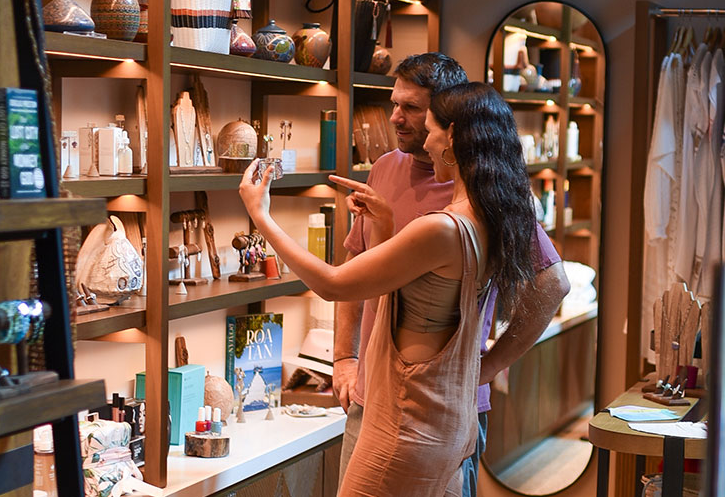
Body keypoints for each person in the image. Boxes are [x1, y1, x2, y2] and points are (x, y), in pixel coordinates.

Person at [239, 81, 546, 496]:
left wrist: (261, 215)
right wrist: (383, 227)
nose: (425, 140)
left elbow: (331, 284)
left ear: (451, 138)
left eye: (433, 128)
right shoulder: (491, 218)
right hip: (445, 422)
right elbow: (407, 300)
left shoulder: (440, 228)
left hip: (405, 426)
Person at [331, 54, 570, 497]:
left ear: (449, 117)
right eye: (394, 103)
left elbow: (552, 283)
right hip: (370, 400)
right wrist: (344, 357)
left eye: (412, 108)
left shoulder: (486, 191)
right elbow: (356, 267)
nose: (395, 118)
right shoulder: (384, 168)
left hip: (444, 409)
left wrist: (491, 365)